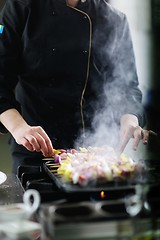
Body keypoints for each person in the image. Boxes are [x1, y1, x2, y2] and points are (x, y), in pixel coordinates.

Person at [0, 0, 147, 174]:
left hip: (95, 155)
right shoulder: (21, 7)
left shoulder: (114, 19)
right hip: (34, 149)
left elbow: (127, 88)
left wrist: (130, 119)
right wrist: (18, 128)